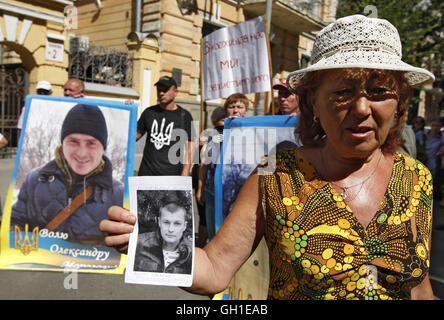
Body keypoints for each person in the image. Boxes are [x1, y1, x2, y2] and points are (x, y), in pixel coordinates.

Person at [100, 15, 435, 300]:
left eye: (379, 91)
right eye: (344, 91)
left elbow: (420, 290)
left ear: (400, 103)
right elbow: (216, 269)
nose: (362, 108)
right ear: (313, 103)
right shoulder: (276, 175)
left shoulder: (417, 178)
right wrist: (150, 242)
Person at [11, 104, 123, 244]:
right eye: (73, 141)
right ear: (62, 143)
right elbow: (15, 223)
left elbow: (123, 247)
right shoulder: (34, 180)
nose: (82, 153)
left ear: (103, 147)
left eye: (91, 143)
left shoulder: (119, 193)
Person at [136, 76, 194, 176]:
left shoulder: (184, 116)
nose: (161, 93)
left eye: (165, 90)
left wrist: (185, 171)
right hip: (147, 175)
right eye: (159, 90)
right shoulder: (149, 112)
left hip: (172, 177)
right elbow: (134, 136)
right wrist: (128, 111)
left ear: (175, 92)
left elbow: (192, 147)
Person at [134, 192, 192, 274]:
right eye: (166, 222)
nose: (171, 229)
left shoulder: (190, 253)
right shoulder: (139, 243)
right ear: (159, 222)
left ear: (184, 226)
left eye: (177, 223)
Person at [196, 106, 229, 240]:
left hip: (229, 192)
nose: (221, 125)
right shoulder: (213, 134)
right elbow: (204, 163)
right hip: (211, 189)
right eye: (220, 121)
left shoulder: (242, 132)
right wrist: (200, 188)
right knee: (211, 230)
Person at [416, 118, 444, 200]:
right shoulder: (421, 135)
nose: (435, 128)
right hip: (421, 161)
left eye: (437, 126)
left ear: (440, 127)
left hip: (433, 163)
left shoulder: (441, 138)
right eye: (433, 125)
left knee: (429, 182)